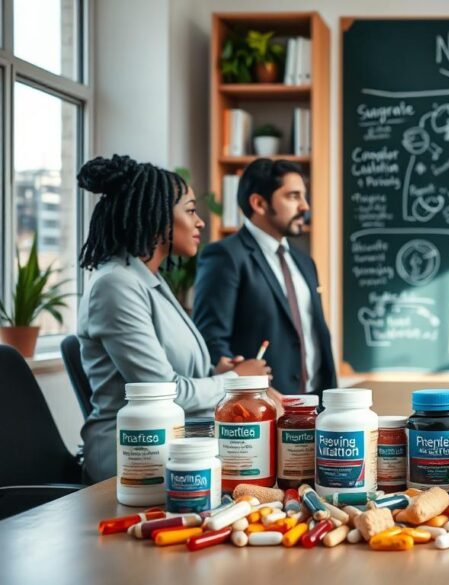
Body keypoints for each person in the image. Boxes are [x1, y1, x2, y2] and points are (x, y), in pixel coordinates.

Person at [77, 155, 269, 482]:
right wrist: (235, 380)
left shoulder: (148, 281)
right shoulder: (116, 286)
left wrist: (214, 372)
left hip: (175, 448)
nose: (201, 223)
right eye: (191, 210)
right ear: (158, 217)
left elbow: (172, 373)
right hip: (131, 463)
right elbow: (164, 391)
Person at [192, 159, 336, 395]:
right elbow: (211, 340)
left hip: (317, 405)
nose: (304, 206)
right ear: (259, 203)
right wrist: (254, 391)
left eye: (304, 196)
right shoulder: (225, 256)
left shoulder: (305, 262)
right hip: (261, 408)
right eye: (293, 196)